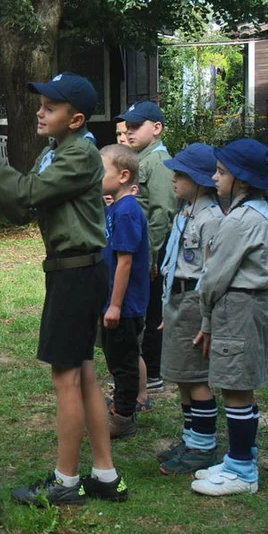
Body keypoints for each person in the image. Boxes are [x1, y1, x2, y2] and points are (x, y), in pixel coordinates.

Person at [0, 72, 127, 506]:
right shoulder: (55, 153)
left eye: (50, 107)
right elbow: (19, 205)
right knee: (83, 371)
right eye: (41, 104)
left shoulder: (79, 156)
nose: (39, 111)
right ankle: (104, 474)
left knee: (65, 376)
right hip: (72, 271)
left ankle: (65, 482)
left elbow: (25, 192)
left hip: (77, 273)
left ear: (76, 119)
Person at [191, 139, 268, 496]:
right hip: (250, 306)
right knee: (241, 385)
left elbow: (214, 277)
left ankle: (241, 470)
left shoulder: (240, 219)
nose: (214, 177)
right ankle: (241, 456)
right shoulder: (260, 212)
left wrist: (205, 312)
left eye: (221, 172)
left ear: (243, 180)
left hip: (237, 307)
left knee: (236, 387)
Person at [156, 143, 224, 475]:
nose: (174, 178)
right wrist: (167, 308)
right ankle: (190, 437)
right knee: (181, 375)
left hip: (195, 303)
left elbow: (211, 272)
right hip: (177, 300)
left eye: (180, 174)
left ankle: (204, 446)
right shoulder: (187, 211)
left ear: (198, 179)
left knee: (196, 376)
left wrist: (205, 317)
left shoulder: (211, 218)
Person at [117, 101, 177, 397]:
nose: (128, 132)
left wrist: (152, 255)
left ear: (156, 128)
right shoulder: (142, 159)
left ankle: (152, 372)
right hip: (141, 248)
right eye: (126, 126)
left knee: (151, 311)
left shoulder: (159, 162)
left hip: (154, 250)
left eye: (135, 126)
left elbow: (162, 213)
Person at [99, 144, 151, 440]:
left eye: (101, 170)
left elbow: (126, 260)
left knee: (124, 362)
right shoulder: (116, 206)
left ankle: (123, 418)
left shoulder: (128, 210)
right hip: (112, 301)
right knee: (115, 357)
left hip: (125, 305)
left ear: (124, 176)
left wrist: (115, 305)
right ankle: (122, 407)